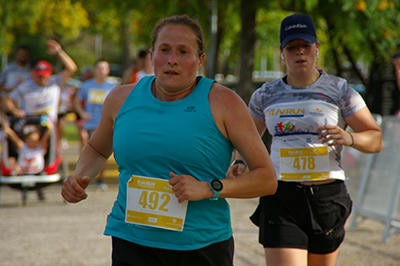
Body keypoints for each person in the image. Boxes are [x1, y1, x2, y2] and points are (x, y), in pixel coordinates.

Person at [62, 15, 277, 266]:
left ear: (200, 60)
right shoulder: (121, 98)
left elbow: (266, 178)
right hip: (131, 241)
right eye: (164, 50)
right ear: (152, 56)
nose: (172, 60)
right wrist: (79, 176)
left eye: (183, 51)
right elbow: (97, 150)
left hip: (201, 246)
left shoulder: (223, 102)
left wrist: (211, 187)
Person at [227, 14, 383, 266]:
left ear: (317, 48)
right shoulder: (264, 94)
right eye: (291, 47)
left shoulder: (340, 89)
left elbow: (375, 139)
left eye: (305, 46)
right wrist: (240, 162)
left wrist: (348, 137)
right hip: (280, 196)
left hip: (326, 198)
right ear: (282, 52)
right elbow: (248, 139)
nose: (299, 53)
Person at [3, 40, 78, 122]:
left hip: (47, 121)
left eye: (44, 76)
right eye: (39, 76)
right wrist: (15, 110)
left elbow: (72, 68)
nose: (42, 78)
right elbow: (8, 99)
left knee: (50, 124)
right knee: (32, 134)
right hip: (29, 120)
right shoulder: (25, 86)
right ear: (33, 74)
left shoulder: (54, 82)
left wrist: (59, 52)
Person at [73, 59, 117, 191]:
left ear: (108, 71)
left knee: (103, 152)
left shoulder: (112, 88)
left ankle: (100, 179)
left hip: (104, 124)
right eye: (99, 68)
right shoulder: (86, 86)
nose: (102, 71)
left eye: (105, 68)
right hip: (89, 124)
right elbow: (76, 101)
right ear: (94, 70)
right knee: (86, 147)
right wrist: (82, 113)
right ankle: (81, 176)